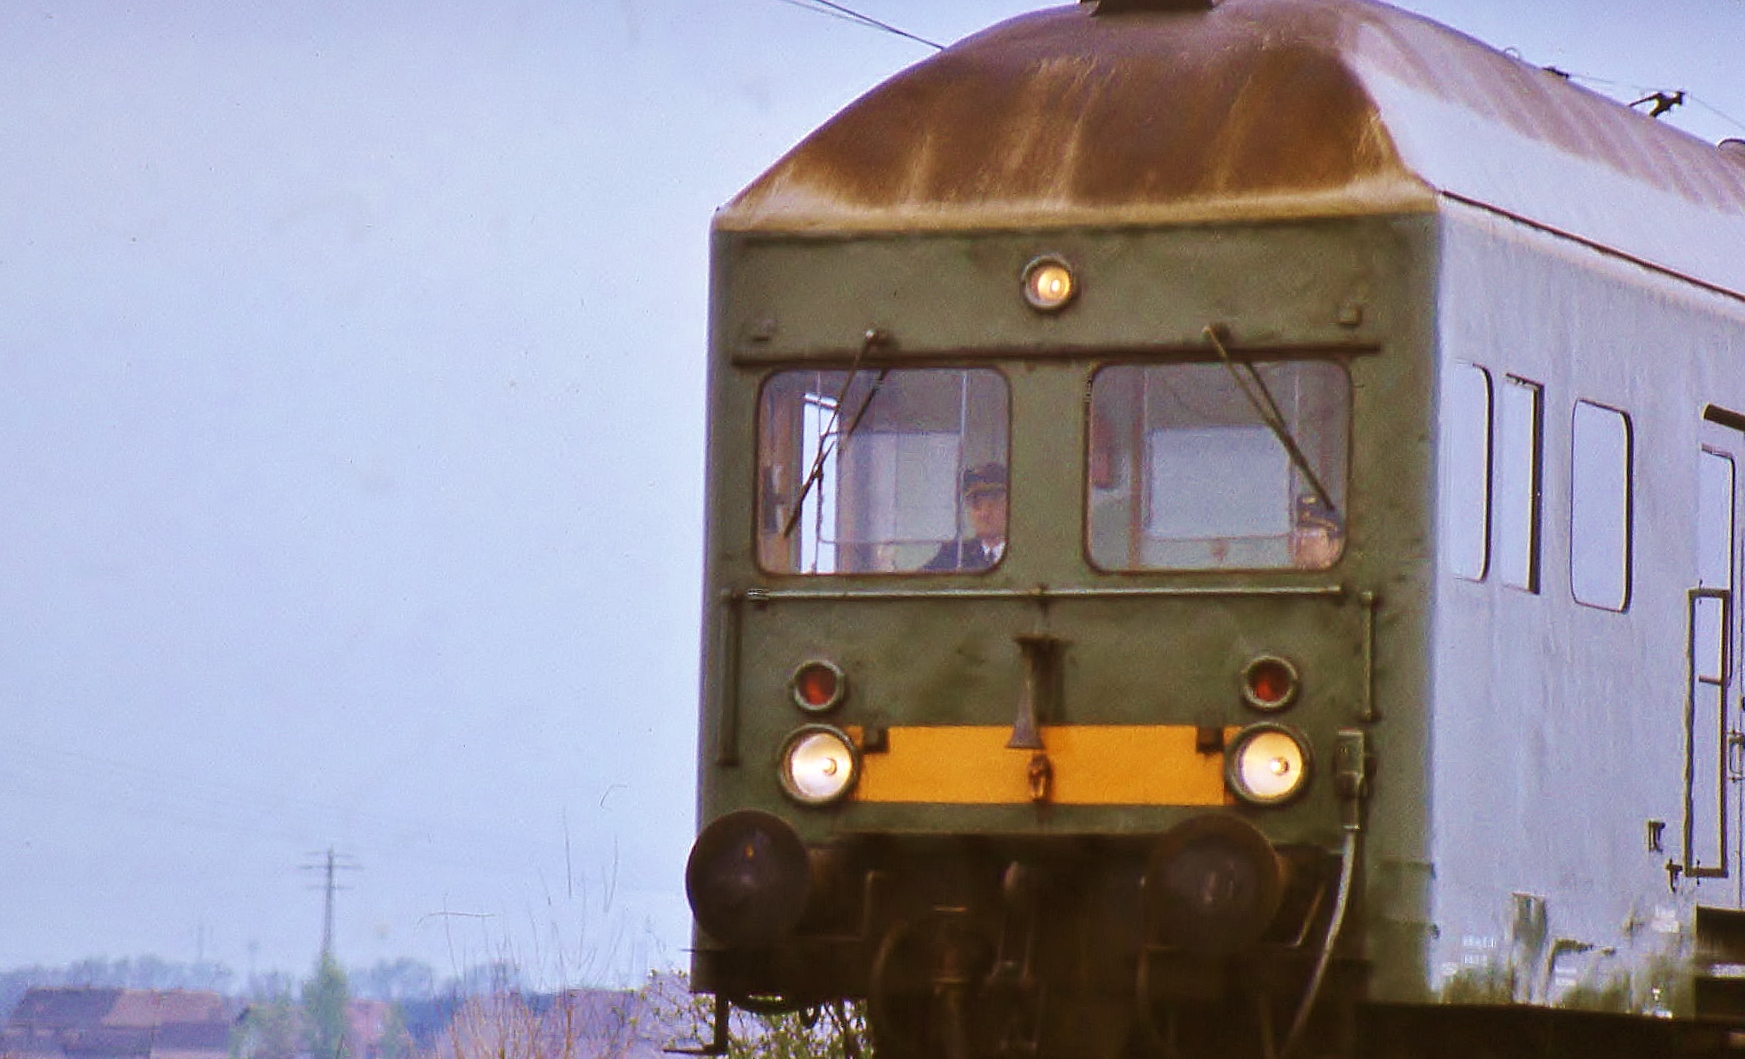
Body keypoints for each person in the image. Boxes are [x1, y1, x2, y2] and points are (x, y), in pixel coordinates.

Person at [924, 463, 1008, 571]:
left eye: (994, 502)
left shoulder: (1029, 554)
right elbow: (916, 583)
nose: (984, 513)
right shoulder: (954, 555)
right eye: (976, 504)